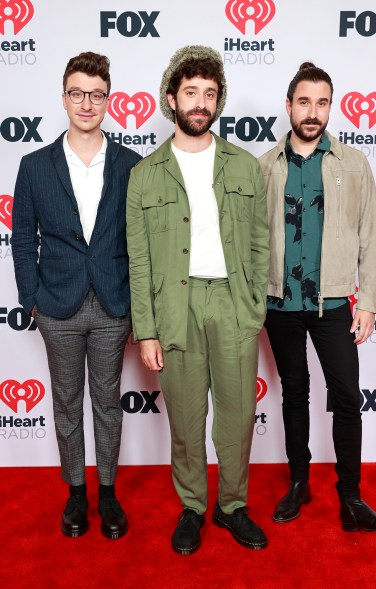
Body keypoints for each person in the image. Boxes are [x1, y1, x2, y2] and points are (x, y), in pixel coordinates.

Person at [126, 45, 269, 554]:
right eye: (191, 92)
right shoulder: (145, 174)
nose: (201, 102)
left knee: (235, 417)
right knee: (186, 420)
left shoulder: (245, 167)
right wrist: (146, 329)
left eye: (210, 93)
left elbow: (258, 242)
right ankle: (192, 508)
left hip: (232, 304)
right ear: (172, 98)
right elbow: (138, 259)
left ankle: (232, 507)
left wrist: (254, 307)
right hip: (175, 308)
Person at [259, 62, 376, 532]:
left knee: (346, 397)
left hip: (334, 303)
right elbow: (255, 238)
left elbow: (368, 238)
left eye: (321, 103)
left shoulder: (354, 164)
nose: (312, 112)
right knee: (294, 393)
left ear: (330, 107)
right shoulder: (265, 167)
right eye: (304, 102)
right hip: (280, 305)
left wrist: (370, 302)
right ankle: (299, 482)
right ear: (289, 105)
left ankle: (351, 497)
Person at [12, 51, 141, 539]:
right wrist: (33, 300)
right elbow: (23, 238)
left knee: (107, 401)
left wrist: (134, 304)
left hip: (112, 303)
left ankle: (107, 493)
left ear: (108, 99)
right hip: (58, 305)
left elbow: (139, 240)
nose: (87, 103)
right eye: (77, 93)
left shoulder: (131, 164)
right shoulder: (34, 165)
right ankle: (76, 494)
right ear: (63, 97)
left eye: (96, 94)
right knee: (67, 402)